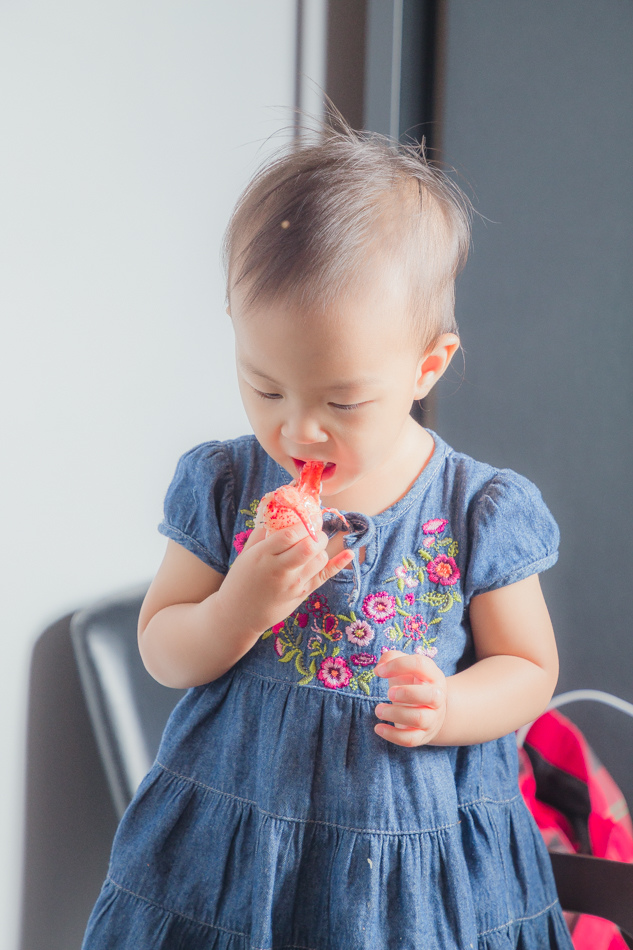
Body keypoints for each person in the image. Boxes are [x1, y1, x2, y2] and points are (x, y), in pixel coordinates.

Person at [82, 120, 573, 949]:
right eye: (264, 388)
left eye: (342, 402)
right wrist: (242, 602)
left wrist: (450, 706)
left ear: (427, 365)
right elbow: (166, 651)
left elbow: (529, 667)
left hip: (411, 863)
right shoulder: (227, 484)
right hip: (235, 850)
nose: (297, 431)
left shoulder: (474, 507)